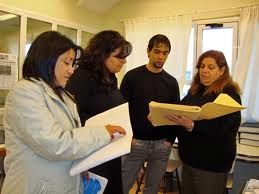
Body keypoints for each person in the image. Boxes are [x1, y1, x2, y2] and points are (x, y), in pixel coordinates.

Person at [2, 31, 125, 194]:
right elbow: (55, 144)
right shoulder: (24, 92)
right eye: (67, 63)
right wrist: (103, 133)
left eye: (73, 64)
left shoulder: (63, 95)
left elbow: (73, 136)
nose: (71, 70)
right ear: (47, 60)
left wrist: (81, 164)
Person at [165, 50, 242, 194]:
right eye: (202, 66)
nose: (204, 70)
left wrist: (192, 125)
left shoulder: (229, 93)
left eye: (211, 67)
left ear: (222, 71)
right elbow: (179, 111)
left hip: (211, 164)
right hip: (189, 160)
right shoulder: (195, 91)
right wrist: (161, 115)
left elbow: (223, 128)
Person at [66, 30, 132, 194]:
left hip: (110, 151)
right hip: (91, 155)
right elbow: (72, 120)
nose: (124, 61)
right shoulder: (81, 77)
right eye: (119, 56)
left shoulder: (110, 77)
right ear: (102, 55)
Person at [120, 34, 180, 194]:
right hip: (135, 142)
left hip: (162, 145)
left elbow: (176, 114)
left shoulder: (172, 83)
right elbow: (121, 109)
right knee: (122, 186)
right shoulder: (132, 77)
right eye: (157, 51)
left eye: (165, 53)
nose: (161, 56)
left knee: (152, 189)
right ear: (148, 51)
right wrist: (128, 138)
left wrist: (170, 140)